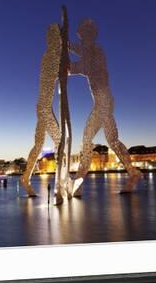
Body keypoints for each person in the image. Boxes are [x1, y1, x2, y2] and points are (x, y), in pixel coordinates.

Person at [69, 19, 142, 196]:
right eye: (80, 36)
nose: (81, 39)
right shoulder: (88, 50)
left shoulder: (96, 52)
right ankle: (133, 173)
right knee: (113, 141)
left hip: (103, 101)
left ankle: (77, 185)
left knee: (87, 140)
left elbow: (84, 66)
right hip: (104, 101)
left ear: (89, 35)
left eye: (83, 35)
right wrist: (64, 45)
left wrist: (69, 66)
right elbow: (78, 52)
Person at [20, 23, 63, 197]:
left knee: (39, 144)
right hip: (45, 106)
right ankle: (60, 183)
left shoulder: (51, 56)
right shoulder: (50, 57)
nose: (58, 42)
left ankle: (25, 177)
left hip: (43, 105)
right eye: (56, 39)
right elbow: (59, 74)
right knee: (60, 142)